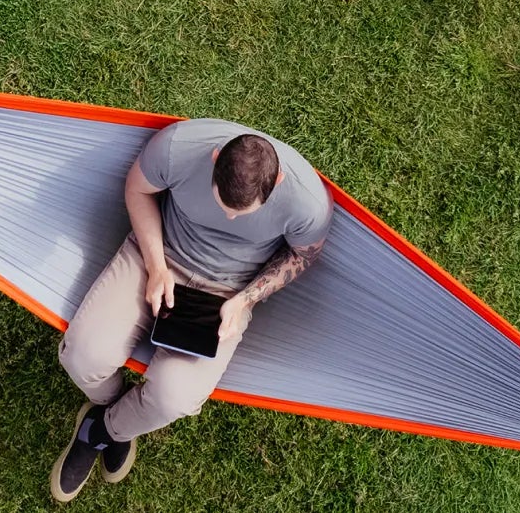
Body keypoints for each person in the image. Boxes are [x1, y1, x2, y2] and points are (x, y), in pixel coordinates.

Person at [50, 118, 331, 502]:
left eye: (242, 213)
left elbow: (302, 256)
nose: (230, 218)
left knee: (175, 398)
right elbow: (137, 189)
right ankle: (110, 405)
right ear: (214, 159)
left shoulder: (307, 202)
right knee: (82, 356)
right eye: (223, 204)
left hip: (228, 291)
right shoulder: (178, 147)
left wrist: (245, 300)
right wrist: (156, 266)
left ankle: (102, 430)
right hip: (158, 254)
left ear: (278, 182)